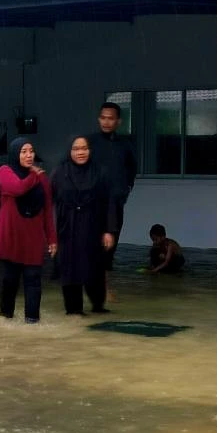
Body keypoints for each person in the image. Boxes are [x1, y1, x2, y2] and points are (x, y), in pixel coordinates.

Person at [0, 137, 56, 323]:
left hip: (33, 237)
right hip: (12, 235)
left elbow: (47, 211)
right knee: (10, 280)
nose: (29, 155)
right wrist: (34, 175)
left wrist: (52, 239)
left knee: (33, 278)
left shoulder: (42, 178)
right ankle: (6, 318)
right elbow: (17, 189)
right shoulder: (5, 171)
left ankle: (32, 320)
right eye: (24, 151)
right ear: (15, 154)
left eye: (31, 151)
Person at [51, 135, 118, 315]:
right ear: (69, 151)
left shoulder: (100, 172)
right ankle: (74, 309)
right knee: (70, 268)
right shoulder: (59, 172)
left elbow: (109, 202)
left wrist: (109, 231)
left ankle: (98, 305)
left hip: (93, 226)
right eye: (76, 149)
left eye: (84, 148)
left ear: (90, 150)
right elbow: (47, 196)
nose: (81, 152)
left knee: (94, 267)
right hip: (68, 227)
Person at [87, 102, 137, 300]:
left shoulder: (125, 145)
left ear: (118, 121)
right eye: (103, 117)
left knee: (108, 247)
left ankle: (103, 288)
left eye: (111, 118)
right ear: (99, 119)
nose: (106, 122)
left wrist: (122, 193)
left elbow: (131, 170)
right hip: (90, 204)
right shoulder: (89, 143)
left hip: (114, 205)